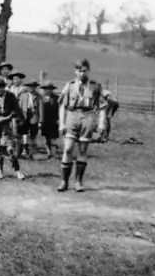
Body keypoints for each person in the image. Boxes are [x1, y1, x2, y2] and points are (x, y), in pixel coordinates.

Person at [57, 58, 108, 192]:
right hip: (72, 116)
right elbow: (62, 105)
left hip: (88, 117)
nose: (81, 73)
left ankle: (78, 182)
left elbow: (102, 107)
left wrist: (101, 124)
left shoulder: (95, 86)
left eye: (84, 71)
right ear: (75, 71)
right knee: (68, 149)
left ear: (88, 71)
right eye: (79, 71)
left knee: (83, 149)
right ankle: (64, 181)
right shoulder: (70, 85)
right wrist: (61, 123)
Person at [0, 75, 26, 180]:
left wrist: (9, 116)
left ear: (4, 87)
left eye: (1, 86)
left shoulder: (10, 96)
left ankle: (17, 170)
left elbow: (16, 110)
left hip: (7, 123)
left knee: (10, 149)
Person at [15, 80, 44, 160]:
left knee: (33, 136)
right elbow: (19, 107)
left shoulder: (39, 97)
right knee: (20, 135)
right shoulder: (23, 96)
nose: (31, 88)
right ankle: (18, 153)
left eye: (33, 87)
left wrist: (40, 121)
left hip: (34, 117)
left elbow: (41, 109)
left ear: (35, 87)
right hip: (24, 117)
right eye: (29, 86)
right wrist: (18, 118)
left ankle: (31, 154)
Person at [39, 81, 60, 159]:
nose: (48, 90)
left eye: (50, 89)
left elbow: (59, 109)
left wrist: (59, 119)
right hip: (45, 121)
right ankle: (49, 153)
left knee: (53, 138)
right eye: (46, 89)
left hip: (54, 120)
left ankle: (54, 154)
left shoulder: (56, 98)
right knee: (47, 138)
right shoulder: (41, 98)